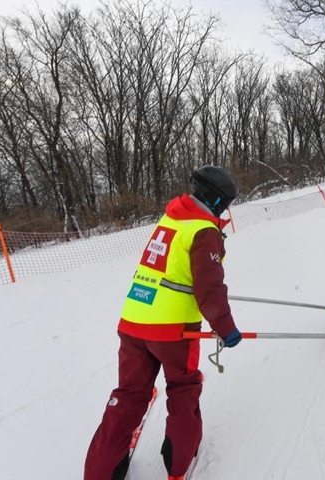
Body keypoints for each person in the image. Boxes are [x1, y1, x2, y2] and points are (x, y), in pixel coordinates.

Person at [85, 166, 242, 480]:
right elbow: (209, 288)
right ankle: (179, 463)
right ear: (214, 200)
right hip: (173, 331)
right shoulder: (203, 230)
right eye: (224, 203)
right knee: (184, 389)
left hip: (134, 321)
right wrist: (225, 328)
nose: (225, 210)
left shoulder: (172, 217)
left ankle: (100, 473)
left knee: (128, 396)